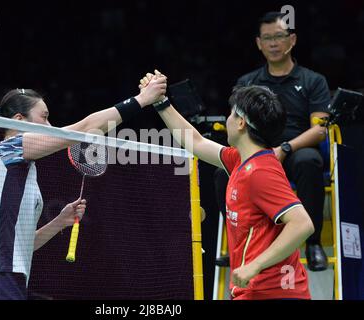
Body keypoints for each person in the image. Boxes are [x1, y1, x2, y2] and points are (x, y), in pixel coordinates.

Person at [0, 77, 167, 300]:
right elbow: (86, 127)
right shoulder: (8, 150)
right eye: (45, 117)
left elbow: (21, 246)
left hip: (8, 278)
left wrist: (60, 221)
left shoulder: (21, 169)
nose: (51, 126)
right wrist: (142, 99)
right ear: (19, 120)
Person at [141, 71, 314, 299]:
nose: (227, 119)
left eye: (231, 114)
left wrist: (255, 265)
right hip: (254, 291)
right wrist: (161, 103)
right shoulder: (241, 160)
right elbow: (196, 141)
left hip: (273, 292)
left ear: (241, 122)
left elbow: (302, 224)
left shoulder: (261, 172)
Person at [214, 11, 331, 271]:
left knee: (310, 161)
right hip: (256, 155)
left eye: (279, 36)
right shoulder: (248, 82)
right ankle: (238, 245)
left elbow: (320, 128)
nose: (274, 44)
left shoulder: (313, 81)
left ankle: (312, 244)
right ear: (258, 43)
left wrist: (286, 148)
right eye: (267, 38)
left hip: (294, 151)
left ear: (293, 39)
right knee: (222, 172)